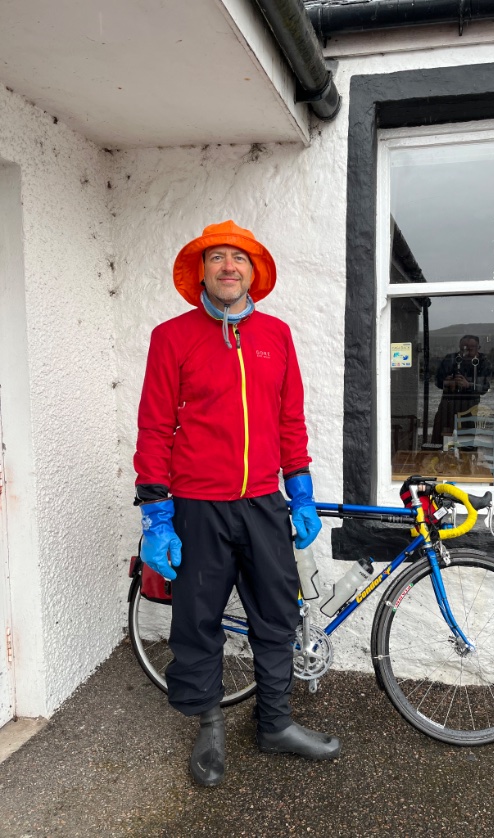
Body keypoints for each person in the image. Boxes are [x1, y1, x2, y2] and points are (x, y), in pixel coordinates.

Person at [134, 220, 340, 788]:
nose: (229, 266)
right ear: (201, 271)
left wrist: (299, 491)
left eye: (239, 258)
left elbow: (289, 419)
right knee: (198, 622)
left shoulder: (277, 335)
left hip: (263, 504)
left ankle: (274, 723)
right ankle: (209, 726)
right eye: (217, 257)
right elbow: (154, 428)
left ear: (254, 272)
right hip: (197, 506)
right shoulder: (171, 336)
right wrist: (156, 513)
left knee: (276, 616)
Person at [431, 334, 492, 445]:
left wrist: (468, 385)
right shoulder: (450, 359)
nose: (465, 352)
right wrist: (447, 382)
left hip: (469, 407)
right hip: (448, 406)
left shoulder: (484, 362)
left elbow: (485, 387)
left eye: (470, 349)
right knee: (440, 439)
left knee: (466, 443)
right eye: (462, 349)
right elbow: (437, 381)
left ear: (478, 348)